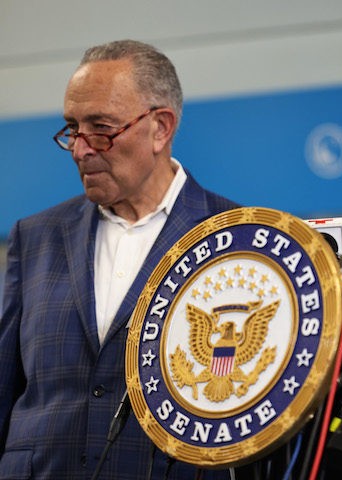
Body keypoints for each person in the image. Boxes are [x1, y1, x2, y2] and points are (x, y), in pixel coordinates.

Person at [0, 40, 240, 479]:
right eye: (72, 128)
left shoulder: (236, 238)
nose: (80, 149)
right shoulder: (33, 238)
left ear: (160, 128)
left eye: (101, 128)